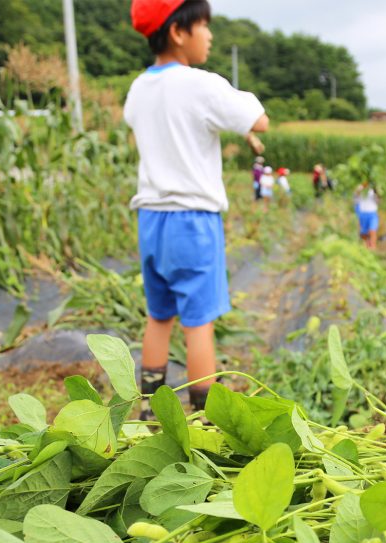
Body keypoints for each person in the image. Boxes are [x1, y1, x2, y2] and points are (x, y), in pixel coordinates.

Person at [124, 0, 268, 413]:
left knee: (159, 316)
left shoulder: (138, 88)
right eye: (204, 26)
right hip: (193, 222)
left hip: (151, 220)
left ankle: (149, 408)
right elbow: (259, 120)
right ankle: (204, 415)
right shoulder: (201, 84)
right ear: (178, 31)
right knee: (198, 322)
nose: (209, 35)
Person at [354, 181, 380, 250]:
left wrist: (376, 191)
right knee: (364, 234)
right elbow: (356, 194)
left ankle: (373, 247)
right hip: (363, 213)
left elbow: (379, 200)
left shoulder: (374, 189)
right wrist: (363, 186)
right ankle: (367, 248)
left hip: (372, 213)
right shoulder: (360, 188)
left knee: (372, 231)